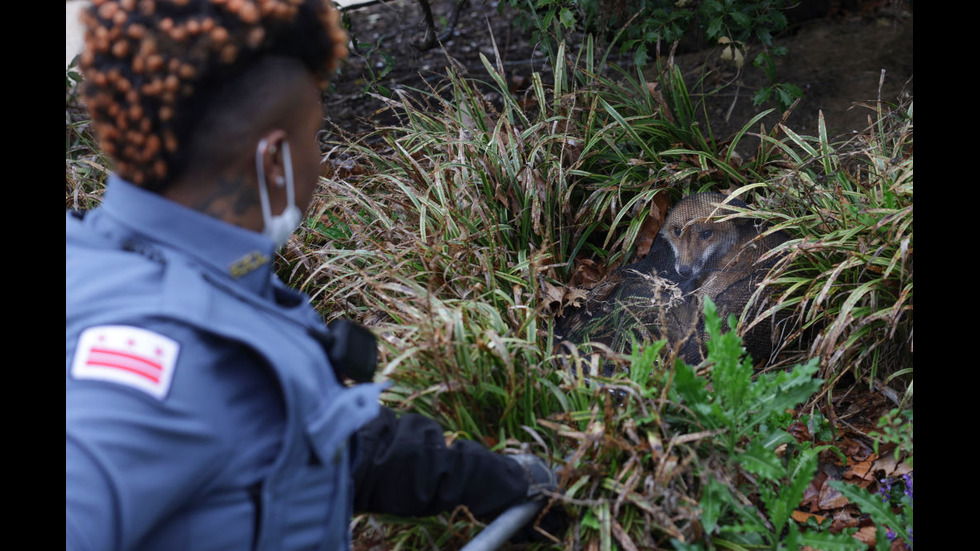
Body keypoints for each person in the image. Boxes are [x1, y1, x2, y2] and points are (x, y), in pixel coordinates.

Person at [66, 1, 557, 549]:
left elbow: (269, 431)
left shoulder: (158, 266)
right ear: (273, 160)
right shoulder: (153, 367)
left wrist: (479, 479)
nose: (319, 160)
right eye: (316, 134)